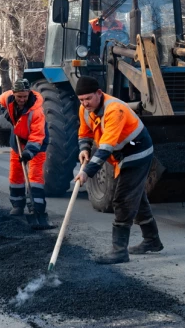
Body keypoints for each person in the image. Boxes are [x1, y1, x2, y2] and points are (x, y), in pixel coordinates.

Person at [74, 76, 163, 264]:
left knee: (123, 199)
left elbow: (105, 148)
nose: (85, 103)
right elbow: (85, 133)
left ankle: (119, 251)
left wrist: (86, 172)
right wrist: (84, 149)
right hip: (120, 154)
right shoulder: (85, 109)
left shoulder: (115, 110)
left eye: (88, 98)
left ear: (99, 93)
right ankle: (152, 240)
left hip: (137, 152)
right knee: (136, 197)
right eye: (81, 100)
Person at [0, 79, 50, 219]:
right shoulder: (7, 98)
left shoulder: (36, 111)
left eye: (25, 96)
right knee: (16, 174)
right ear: (14, 94)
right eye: (19, 96)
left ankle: (37, 208)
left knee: (35, 177)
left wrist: (29, 152)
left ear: (29, 93)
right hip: (17, 142)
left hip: (36, 145)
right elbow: (1, 101)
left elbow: (37, 135)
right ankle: (17, 205)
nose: (22, 99)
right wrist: (6, 113)